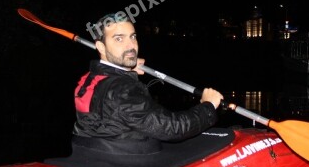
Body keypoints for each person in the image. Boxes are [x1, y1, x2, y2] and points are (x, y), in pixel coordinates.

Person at [71, 12, 224, 157]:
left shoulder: (88, 79)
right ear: (101, 47)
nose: (130, 46)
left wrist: (126, 70)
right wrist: (208, 107)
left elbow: (111, 107)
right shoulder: (123, 90)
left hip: (98, 154)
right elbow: (172, 128)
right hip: (130, 162)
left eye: (133, 37)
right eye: (119, 39)